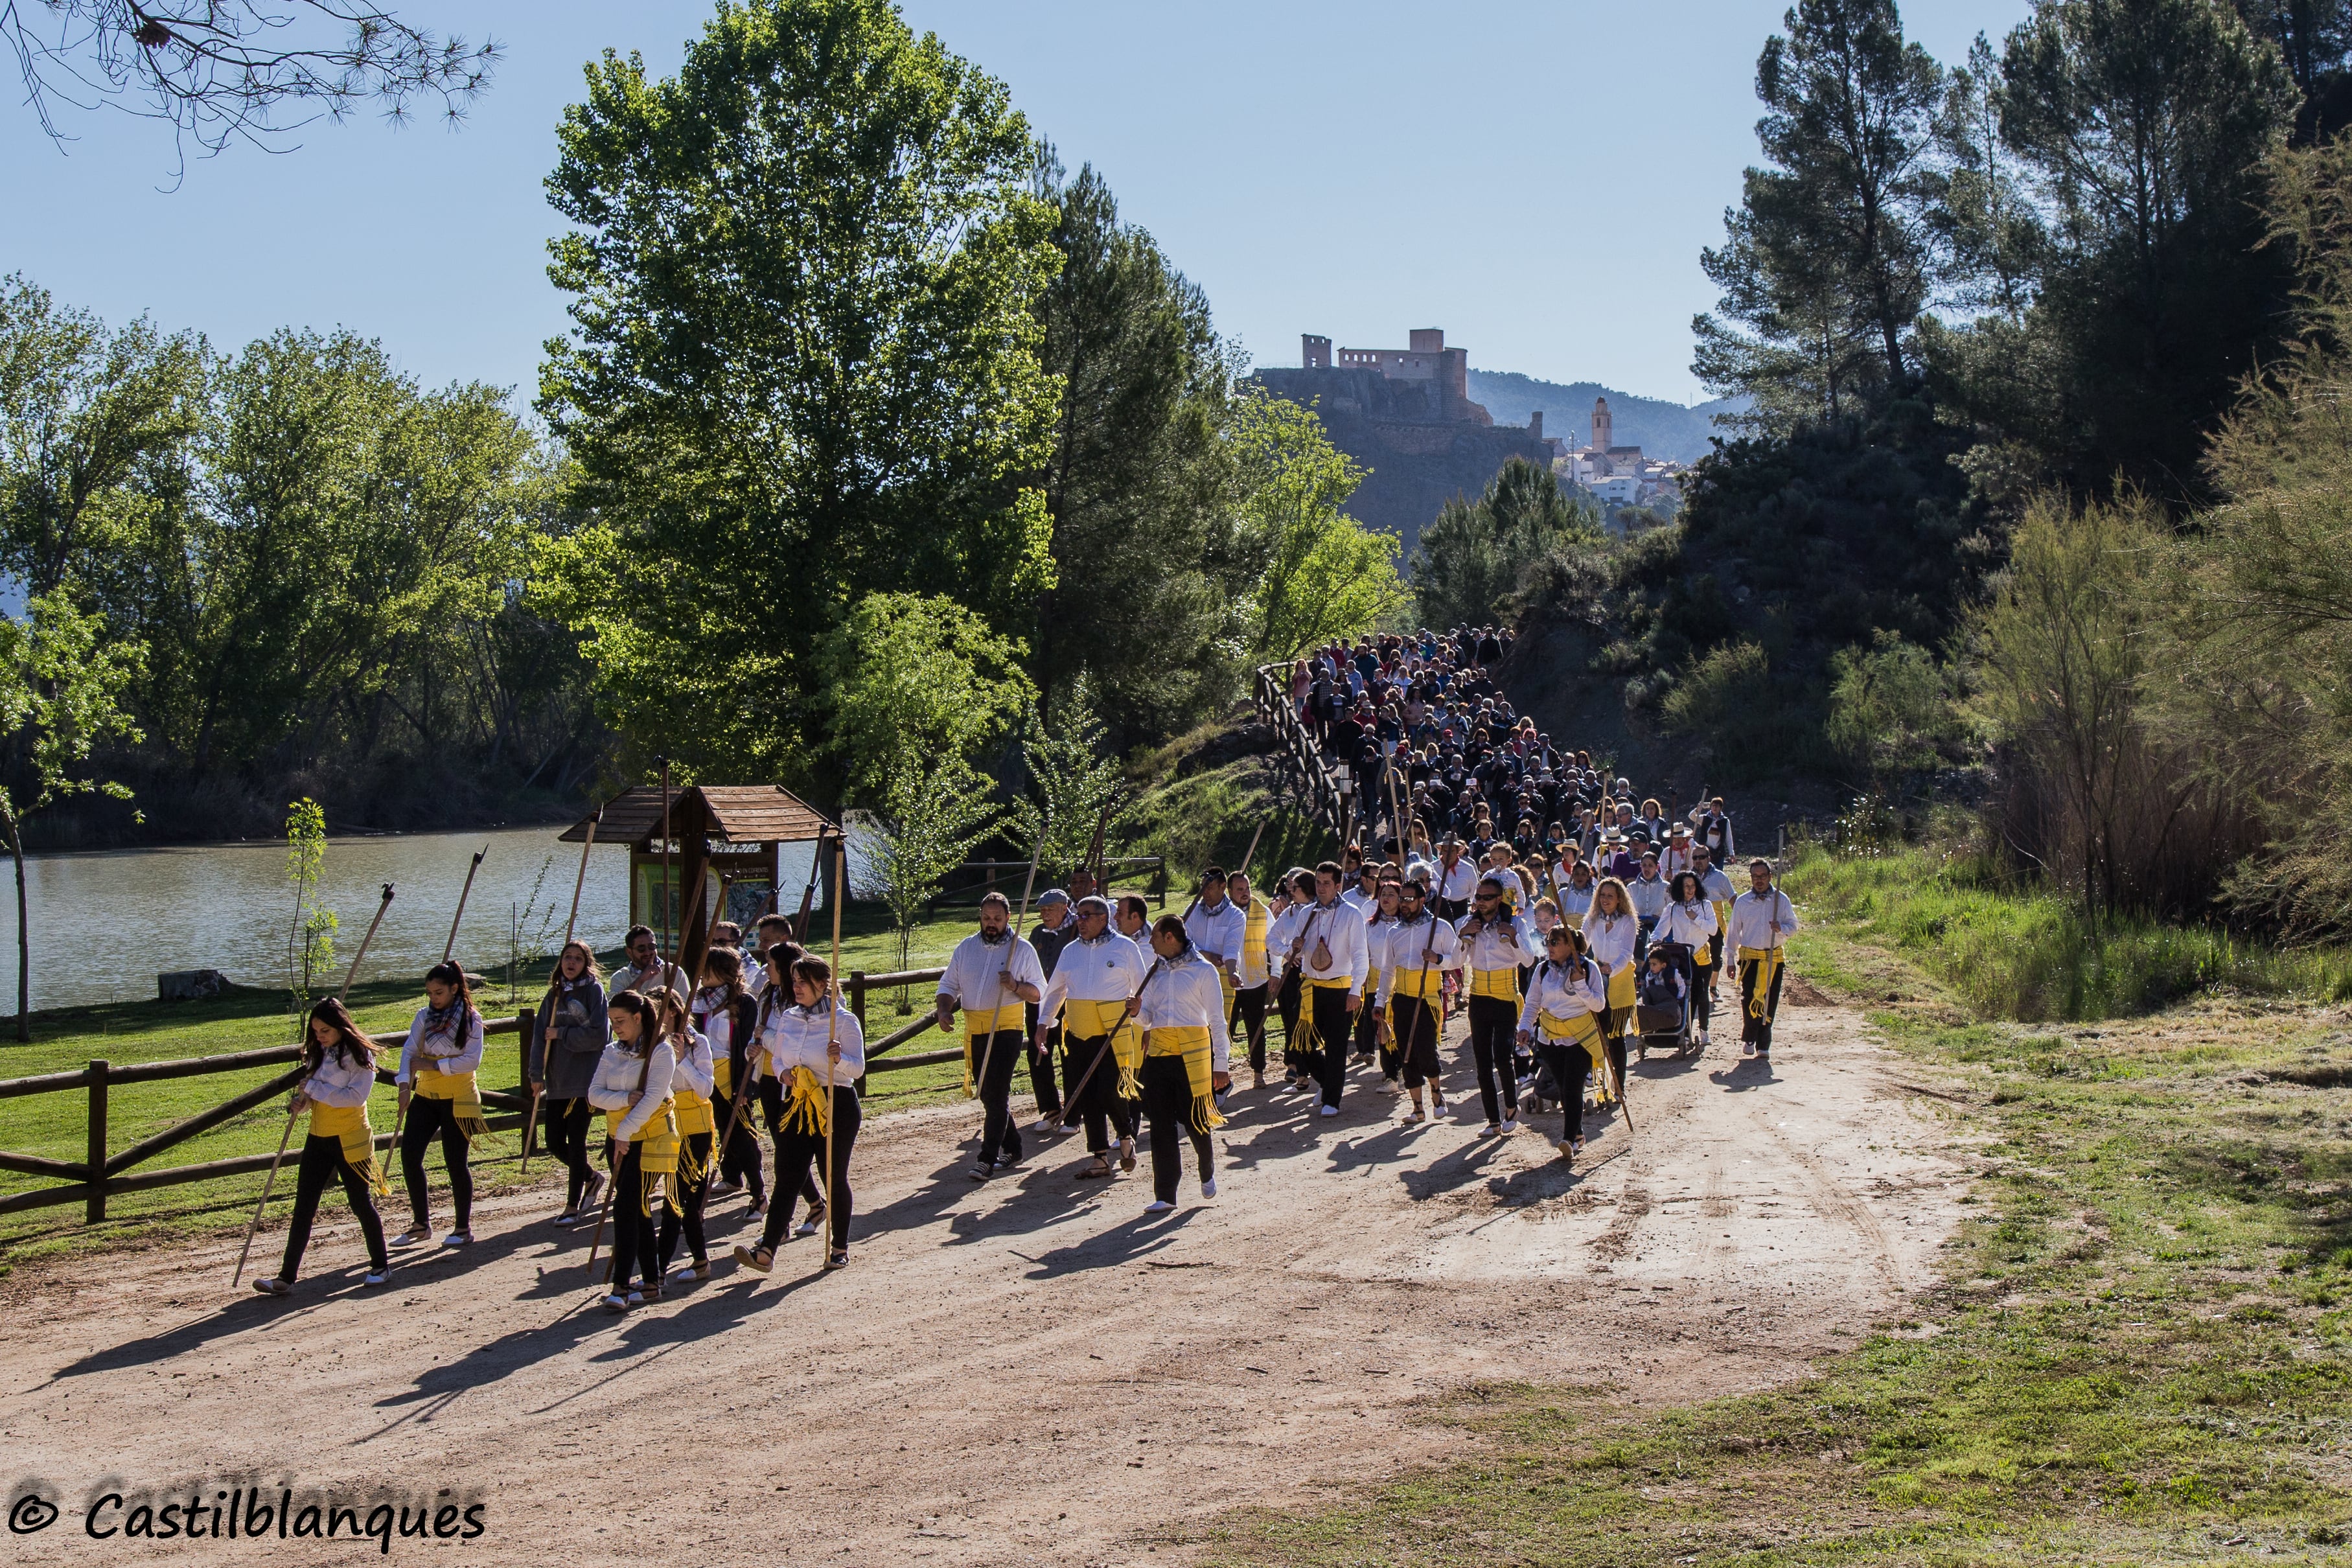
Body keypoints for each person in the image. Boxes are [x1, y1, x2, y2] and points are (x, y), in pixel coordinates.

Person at [251, 998, 391, 1296]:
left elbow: (354, 1097)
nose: (319, 1036)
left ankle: (381, 1265)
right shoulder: (319, 1053)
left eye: (325, 1030)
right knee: (304, 1206)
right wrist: (302, 1103)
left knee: (359, 1202)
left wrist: (313, 1089)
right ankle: (286, 1278)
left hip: (351, 1137)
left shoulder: (362, 1056)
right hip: (319, 1137)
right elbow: (315, 1095)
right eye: (315, 1031)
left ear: (341, 1027)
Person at [735, 956, 865, 1273]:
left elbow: (858, 1070)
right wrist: (783, 1075)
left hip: (835, 1105)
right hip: (795, 1104)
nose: (796, 988)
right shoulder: (789, 1018)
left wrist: (839, 1059)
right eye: (794, 981)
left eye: (803, 982)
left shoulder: (844, 1021)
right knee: (787, 1177)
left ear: (823, 984)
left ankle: (839, 1247)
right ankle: (766, 1250)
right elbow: (778, 1059)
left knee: (832, 1177)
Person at [1037, 895, 1149, 1178]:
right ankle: (1099, 1157)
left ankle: (1126, 1135)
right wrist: (1043, 1023)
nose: (1081, 920)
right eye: (1079, 915)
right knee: (1086, 1095)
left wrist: (1148, 1026)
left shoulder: (1125, 948)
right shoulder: (1070, 951)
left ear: (1104, 918)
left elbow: (1144, 992)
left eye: (1087, 915)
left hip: (1114, 1034)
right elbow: (1055, 992)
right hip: (1078, 1032)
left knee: (1109, 1091)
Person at [936, 892, 1046, 1178]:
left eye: (997, 918)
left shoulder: (1021, 949)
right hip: (975, 1029)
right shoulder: (966, 948)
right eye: (987, 918)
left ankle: (986, 1157)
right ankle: (1015, 1146)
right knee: (988, 1094)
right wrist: (944, 1010)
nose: (991, 924)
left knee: (997, 1092)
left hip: (1007, 1027)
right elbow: (948, 985)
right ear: (980, 917)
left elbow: (1038, 994)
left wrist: (1015, 985)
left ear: (1008, 918)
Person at [586, 990, 680, 1311]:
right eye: (613, 1022)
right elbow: (594, 1094)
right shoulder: (612, 1052)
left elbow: (653, 1097)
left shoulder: (661, 1051)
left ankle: (621, 1286)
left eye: (621, 1021)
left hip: (651, 1137)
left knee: (626, 1207)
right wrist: (624, 1100)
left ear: (639, 1018)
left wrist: (626, 1128)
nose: (616, 1028)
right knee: (636, 1208)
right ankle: (651, 1281)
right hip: (620, 1136)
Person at [1131, 915, 1226, 1212]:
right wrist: (1136, 1011)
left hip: (1193, 1054)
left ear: (1169, 938)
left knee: (1194, 1118)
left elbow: (1217, 1020)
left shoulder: (1203, 971)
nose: (1150, 941)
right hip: (1160, 1054)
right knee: (1159, 1123)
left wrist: (1220, 1064)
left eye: (1155, 936)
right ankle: (1166, 1193)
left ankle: (1206, 1165)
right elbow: (1148, 1016)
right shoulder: (1154, 972)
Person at [392, 962, 487, 1250]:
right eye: (430, 993)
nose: (434, 998)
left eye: (439, 992)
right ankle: (421, 1224)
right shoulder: (424, 1016)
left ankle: (462, 1227)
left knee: (455, 1162)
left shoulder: (472, 1019)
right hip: (426, 1096)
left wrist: (434, 1065)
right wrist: (405, 1085)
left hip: (459, 1098)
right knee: (409, 1156)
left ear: (454, 989)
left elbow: (472, 1060)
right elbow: (410, 1050)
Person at [529, 940, 608, 1225]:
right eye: (567, 958)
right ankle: (591, 1177)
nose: (571, 963)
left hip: (585, 1080)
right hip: (557, 1080)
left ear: (586, 963)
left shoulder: (594, 991)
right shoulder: (554, 994)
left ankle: (572, 1205)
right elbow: (540, 1037)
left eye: (577, 958)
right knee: (553, 1140)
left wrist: (562, 1034)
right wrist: (536, 1075)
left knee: (576, 1141)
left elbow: (600, 1037)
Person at [1516, 927, 1606, 1162]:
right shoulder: (1543, 969)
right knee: (1563, 1087)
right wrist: (1525, 1026)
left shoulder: (1588, 969)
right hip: (1550, 1039)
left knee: (1573, 1087)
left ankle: (1568, 1139)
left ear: (1571, 945)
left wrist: (1580, 984)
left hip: (1580, 1037)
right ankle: (1577, 1134)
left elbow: (1598, 1005)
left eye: (1555, 942)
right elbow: (1533, 1001)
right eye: (1548, 942)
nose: (1550, 947)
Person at [1292, 861, 1370, 1119]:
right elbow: (1297, 953)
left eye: (1327, 883)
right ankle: (1328, 1083)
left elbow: (1360, 955)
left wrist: (1355, 991)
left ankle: (1332, 1100)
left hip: (1340, 988)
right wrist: (1296, 947)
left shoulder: (1351, 914)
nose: (1321, 888)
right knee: (1301, 1044)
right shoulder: (1306, 914)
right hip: (1311, 988)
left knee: (1336, 1047)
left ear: (1339, 886)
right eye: (1318, 882)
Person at [1456, 873, 1532, 1135]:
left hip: (1505, 995)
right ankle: (1492, 1120)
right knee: (1482, 1060)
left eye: (1487, 898)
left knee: (1502, 1054)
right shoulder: (1469, 923)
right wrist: (1463, 934)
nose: (1481, 902)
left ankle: (1511, 1106)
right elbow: (1457, 961)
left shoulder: (1516, 923)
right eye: (1478, 897)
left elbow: (1529, 959)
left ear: (1499, 899)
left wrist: (1513, 938)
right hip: (1478, 995)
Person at [1376, 877, 1457, 1125]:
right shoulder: (1394, 932)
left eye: (1410, 900)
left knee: (1426, 1050)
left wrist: (1438, 958)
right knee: (1406, 1053)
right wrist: (1380, 1002)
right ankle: (1418, 1108)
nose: (1404, 904)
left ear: (1423, 900)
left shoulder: (1439, 927)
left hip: (1428, 998)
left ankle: (1436, 1094)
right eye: (1402, 899)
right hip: (1401, 998)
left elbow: (1458, 959)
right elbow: (1387, 970)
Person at [692, 947, 766, 1215]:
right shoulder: (698, 1002)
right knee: (721, 1131)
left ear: (723, 972)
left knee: (741, 1136)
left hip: (733, 1078)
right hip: (705, 1077)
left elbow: (749, 1046)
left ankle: (759, 1193)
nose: (701, 974)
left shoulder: (745, 1003)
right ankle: (732, 1177)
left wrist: (747, 1085)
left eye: (706, 968)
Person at [652, 987, 718, 1282]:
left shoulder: (697, 1043)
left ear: (674, 1012)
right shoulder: (650, 1045)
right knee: (686, 1200)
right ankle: (701, 1261)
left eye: (657, 1010)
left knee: (675, 1200)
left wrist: (681, 1060)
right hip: (664, 1126)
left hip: (696, 1129)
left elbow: (706, 1089)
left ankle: (658, 1271)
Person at [1728, 858, 1799, 1060]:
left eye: (1762, 876)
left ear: (1770, 877)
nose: (1758, 880)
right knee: (1749, 997)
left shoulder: (1780, 900)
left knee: (1770, 1000)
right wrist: (1731, 959)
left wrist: (1781, 928)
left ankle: (1764, 1043)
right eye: (1755, 877)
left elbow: (1793, 926)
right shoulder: (1742, 902)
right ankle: (1750, 1036)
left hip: (1773, 957)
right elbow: (1733, 932)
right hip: (1750, 957)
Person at [1584, 877, 1639, 1107]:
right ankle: (1600, 1084)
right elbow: (1581, 940)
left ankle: (1619, 1086)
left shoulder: (1627, 922)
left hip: (1620, 979)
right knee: (1597, 1036)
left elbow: (1627, 953)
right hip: (1598, 977)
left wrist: (1611, 968)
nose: (1605, 900)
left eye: (1610, 896)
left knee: (1616, 1037)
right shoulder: (1593, 919)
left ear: (1619, 900)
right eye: (1602, 895)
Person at [1026, 889, 1078, 1134]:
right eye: (1042, 911)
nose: (1044, 914)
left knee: (1070, 1055)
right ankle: (1050, 1109)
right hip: (1039, 1002)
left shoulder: (1078, 930)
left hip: (1069, 1003)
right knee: (1038, 1054)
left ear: (1064, 908)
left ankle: (1073, 1111)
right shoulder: (1037, 933)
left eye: (1050, 910)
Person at [1657, 871, 1720, 1046]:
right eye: (1686, 886)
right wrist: (1655, 940)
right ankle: (1685, 1031)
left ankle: (1704, 1030)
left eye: (1693, 886)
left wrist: (1697, 918)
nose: (1690, 889)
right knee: (1685, 994)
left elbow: (1713, 930)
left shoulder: (1705, 905)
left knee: (1702, 994)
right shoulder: (1673, 908)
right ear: (1680, 888)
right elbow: (1661, 930)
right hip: (1682, 957)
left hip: (1701, 956)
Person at [1227, 869, 1273, 1090]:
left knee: (1256, 1026)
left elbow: (1274, 940)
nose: (1245, 893)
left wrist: (1277, 972)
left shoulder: (1262, 911)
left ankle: (1258, 1072)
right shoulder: (1223, 913)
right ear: (1229, 891)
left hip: (1255, 979)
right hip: (1228, 979)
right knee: (1226, 1027)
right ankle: (1221, 1074)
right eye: (1239, 889)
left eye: (1247, 888)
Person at [1692, 845, 1736, 999]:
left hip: (1715, 924)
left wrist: (1739, 920)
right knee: (1695, 957)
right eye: (1695, 858)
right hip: (1694, 925)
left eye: (1702, 857)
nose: (1698, 861)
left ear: (1709, 858)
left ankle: (1713, 986)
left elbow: (1732, 898)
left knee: (1715, 957)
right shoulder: (1688, 878)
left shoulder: (1720, 877)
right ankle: (1698, 988)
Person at [608, 924, 689, 1000]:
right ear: (629, 952)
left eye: (652, 947)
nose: (648, 953)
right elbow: (613, 1008)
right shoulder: (620, 978)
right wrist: (641, 980)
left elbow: (685, 1007)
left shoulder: (673, 972)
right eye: (641, 949)